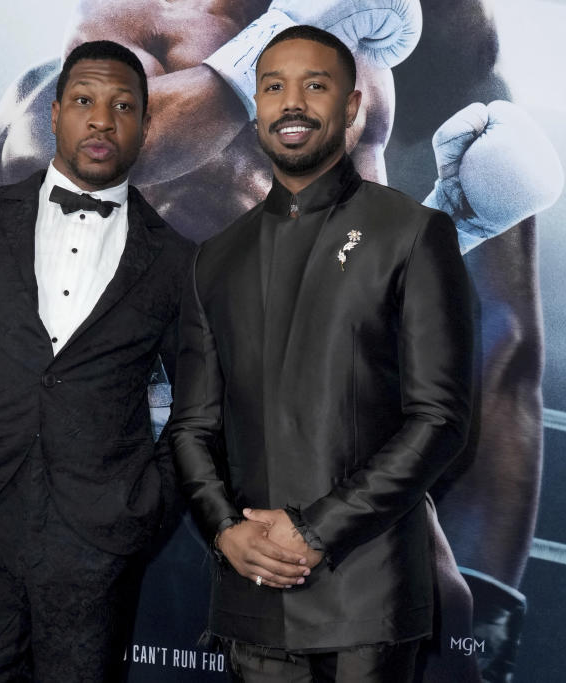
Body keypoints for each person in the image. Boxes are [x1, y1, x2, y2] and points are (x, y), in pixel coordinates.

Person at [169, 25, 475, 682]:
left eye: (316, 85)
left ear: (354, 106)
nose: (293, 103)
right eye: (274, 86)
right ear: (255, 104)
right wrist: (226, 529)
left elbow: (440, 418)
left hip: (368, 603)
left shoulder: (415, 232)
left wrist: (315, 529)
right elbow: (193, 426)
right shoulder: (215, 261)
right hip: (252, 597)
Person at [0, 39, 194, 680]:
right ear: (54, 113)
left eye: (123, 106)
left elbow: (203, 404)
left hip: (97, 546)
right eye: (84, 101)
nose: (102, 121)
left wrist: (149, 505)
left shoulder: (175, 262)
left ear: (144, 123)